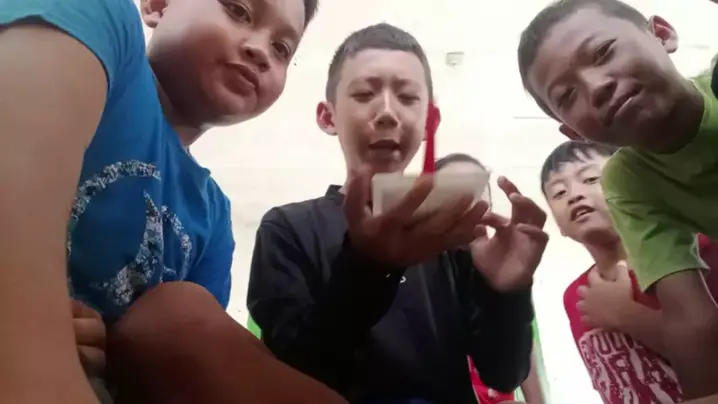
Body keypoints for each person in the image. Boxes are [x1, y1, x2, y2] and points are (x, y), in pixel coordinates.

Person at [0, 0, 322, 401]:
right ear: (157, 5)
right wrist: (38, 334)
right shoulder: (99, 17)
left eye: (282, 49)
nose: (260, 50)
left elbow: (181, 369)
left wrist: (99, 350)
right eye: (238, 9)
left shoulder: (213, 219)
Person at [247, 23, 550, 403]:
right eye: (364, 94)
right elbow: (291, 369)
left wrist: (506, 293)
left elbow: (503, 374)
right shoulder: (287, 229)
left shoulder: (450, 235)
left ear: (429, 123)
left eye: (407, 97)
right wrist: (367, 267)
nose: (388, 112)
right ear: (328, 116)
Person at [518, 0, 718, 398]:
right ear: (573, 131)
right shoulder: (629, 183)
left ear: (662, 34)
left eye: (603, 53)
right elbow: (692, 320)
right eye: (567, 95)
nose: (597, 87)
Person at [435, 153, 545, 404]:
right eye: (451, 192)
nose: (465, 204)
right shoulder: (416, 274)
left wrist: (510, 294)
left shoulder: (504, 271)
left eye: (474, 192)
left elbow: (519, 364)